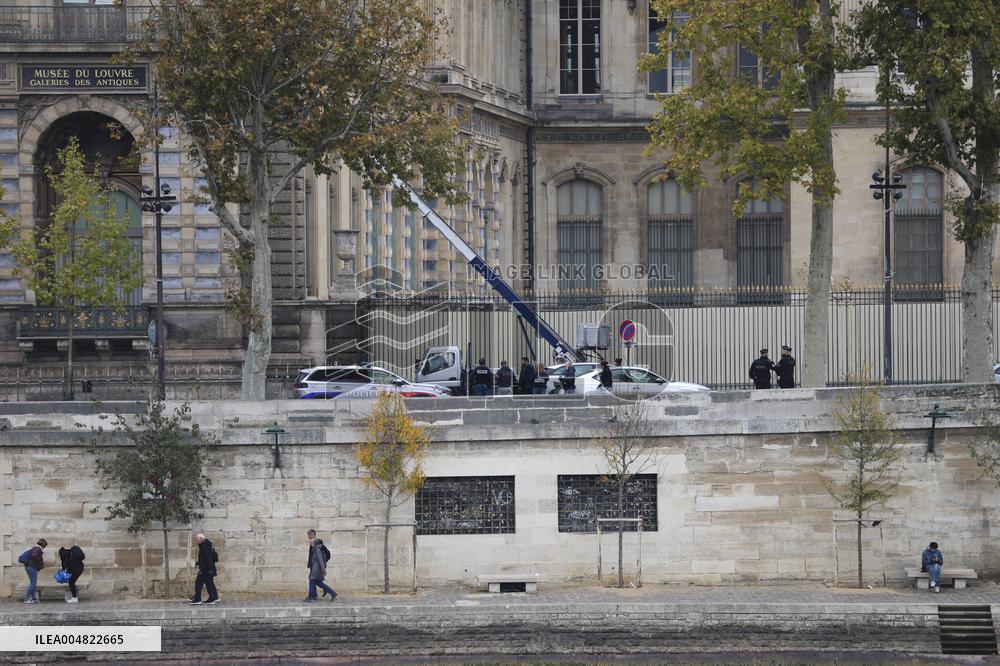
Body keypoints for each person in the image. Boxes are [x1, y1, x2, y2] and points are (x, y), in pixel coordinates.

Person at [187, 533, 219, 605]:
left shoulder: (205, 546)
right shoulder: (205, 545)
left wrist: (209, 570)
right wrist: (198, 563)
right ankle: (212, 597)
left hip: (206, 570)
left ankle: (198, 598)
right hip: (207, 569)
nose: (196, 541)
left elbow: (208, 559)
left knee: (199, 583)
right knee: (209, 584)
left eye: (197, 539)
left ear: (201, 539)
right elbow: (205, 558)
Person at [304, 532, 337, 602]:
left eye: (311, 542)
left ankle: (311, 597)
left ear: (315, 543)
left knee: (312, 582)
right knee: (319, 583)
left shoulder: (317, 550)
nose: (310, 543)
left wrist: (324, 570)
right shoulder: (315, 549)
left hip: (316, 570)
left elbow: (321, 561)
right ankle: (333, 593)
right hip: (316, 569)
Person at [19, 538, 46, 604]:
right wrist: (39, 562)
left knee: (32, 584)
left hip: (29, 567)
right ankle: (27, 598)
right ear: (43, 545)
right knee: (33, 584)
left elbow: (33, 556)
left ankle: (33, 599)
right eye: (45, 546)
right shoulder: (38, 549)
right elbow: (34, 556)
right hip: (32, 567)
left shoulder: (34, 548)